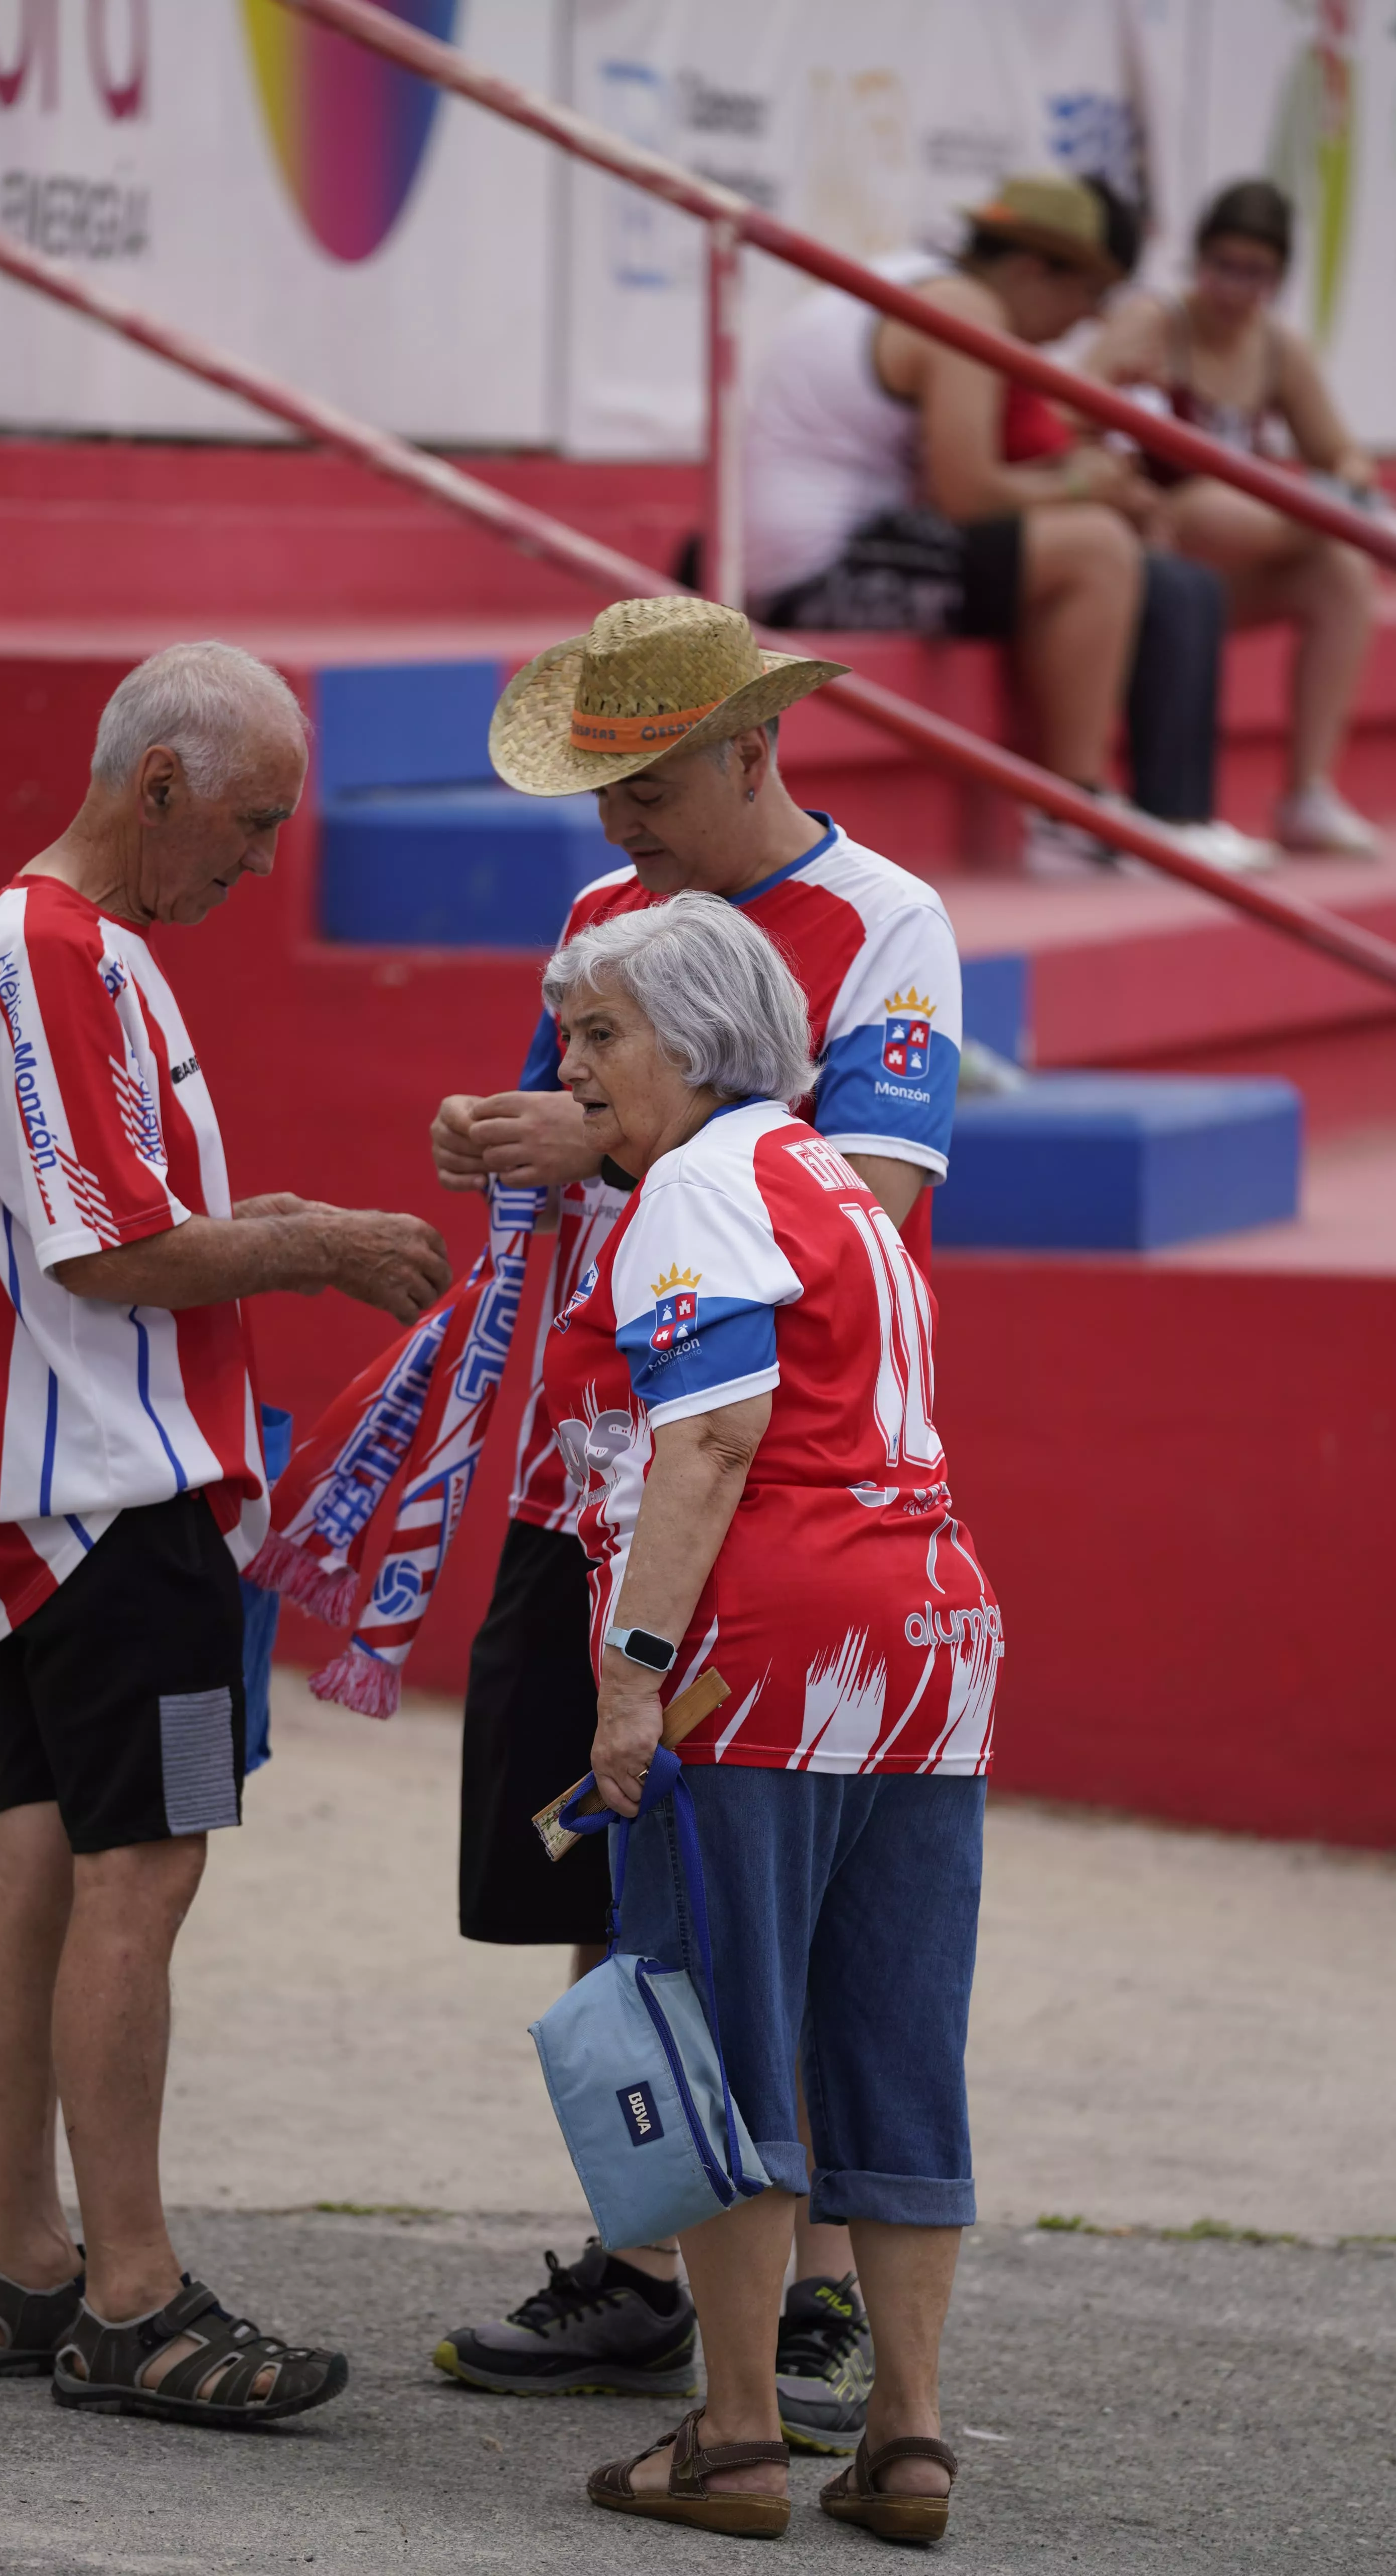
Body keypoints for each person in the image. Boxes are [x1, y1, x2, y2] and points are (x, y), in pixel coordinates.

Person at [429, 594, 960, 2455]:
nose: (608, 827)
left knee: (781, 1889)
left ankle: (795, 2300)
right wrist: (510, 1130)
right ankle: (648, 2264)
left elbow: (872, 1204)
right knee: (616, 1864)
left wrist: (603, 1145)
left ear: (753, 750)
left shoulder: (888, 921)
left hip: (751, 1468)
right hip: (604, 1453)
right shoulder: (607, 920)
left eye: (638, 784)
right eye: (593, 788)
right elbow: (580, 1103)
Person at [0, 641, 451, 2425]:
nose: (258, 858)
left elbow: (118, 1221)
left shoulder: (73, 952)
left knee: (48, 1853)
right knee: (141, 1875)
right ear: (158, 786)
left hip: (64, 1485)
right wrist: (319, 1245)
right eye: (249, 821)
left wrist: (276, 1216)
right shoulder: (58, 954)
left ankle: (26, 2262)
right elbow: (107, 1252)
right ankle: (133, 2297)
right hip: (115, 1496)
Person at [536, 893, 995, 2541]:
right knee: (892, 2040)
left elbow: (712, 1439)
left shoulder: (694, 1185)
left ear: (695, 1042)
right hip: (931, 1639)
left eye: (601, 1035)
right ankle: (909, 2437)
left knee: (717, 2037)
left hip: (769, 1655)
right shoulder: (828, 1180)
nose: (571, 1068)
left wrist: (631, 1671)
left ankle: (733, 2437)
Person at [743, 171, 1271, 877]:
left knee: (1093, 541)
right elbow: (970, 496)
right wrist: (1084, 483)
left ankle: (1096, 807)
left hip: (798, 554)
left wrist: (1070, 481)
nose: (1084, 323)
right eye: (1086, 296)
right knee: (1093, 547)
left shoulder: (918, 280)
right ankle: (1073, 814)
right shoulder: (963, 310)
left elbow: (957, 491)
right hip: (815, 572)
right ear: (1030, 269)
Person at [1083, 177, 1382, 855]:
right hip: (1151, 548)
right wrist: (1122, 410)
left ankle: (1307, 791)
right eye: (1221, 266)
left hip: (1221, 574)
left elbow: (1337, 450)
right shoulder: (1153, 321)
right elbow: (1064, 417)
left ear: (1278, 278)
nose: (1234, 289)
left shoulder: (1277, 347)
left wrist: (1352, 481)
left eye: (1256, 274)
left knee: (1341, 568)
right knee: (1215, 504)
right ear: (1197, 260)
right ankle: (1334, 522)